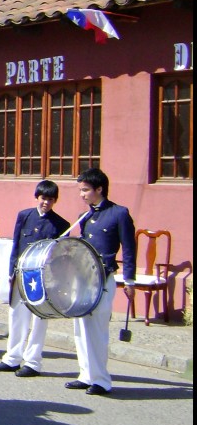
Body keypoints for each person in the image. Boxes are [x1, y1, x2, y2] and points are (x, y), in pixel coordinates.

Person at [67, 168, 136, 396]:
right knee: (80, 328)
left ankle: (101, 380)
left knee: (97, 329)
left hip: (103, 277)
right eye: (81, 190)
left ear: (99, 189)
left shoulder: (119, 213)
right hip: (84, 276)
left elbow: (128, 248)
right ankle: (85, 374)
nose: (82, 195)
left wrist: (130, 280)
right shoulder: (86, 216)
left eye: (85, 190)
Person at [0, 180, 71, 377]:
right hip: (21, 273)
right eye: (43, 198)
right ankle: (12, 357)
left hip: (43, 278)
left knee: (39, 319)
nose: (46, 203)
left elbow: (60, 256)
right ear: (37, 197)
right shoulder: (24, 216)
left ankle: (33, 362)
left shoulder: (61, 225)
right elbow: (16, 244)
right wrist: (12, 271)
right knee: (17, 316)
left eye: (51, 200)